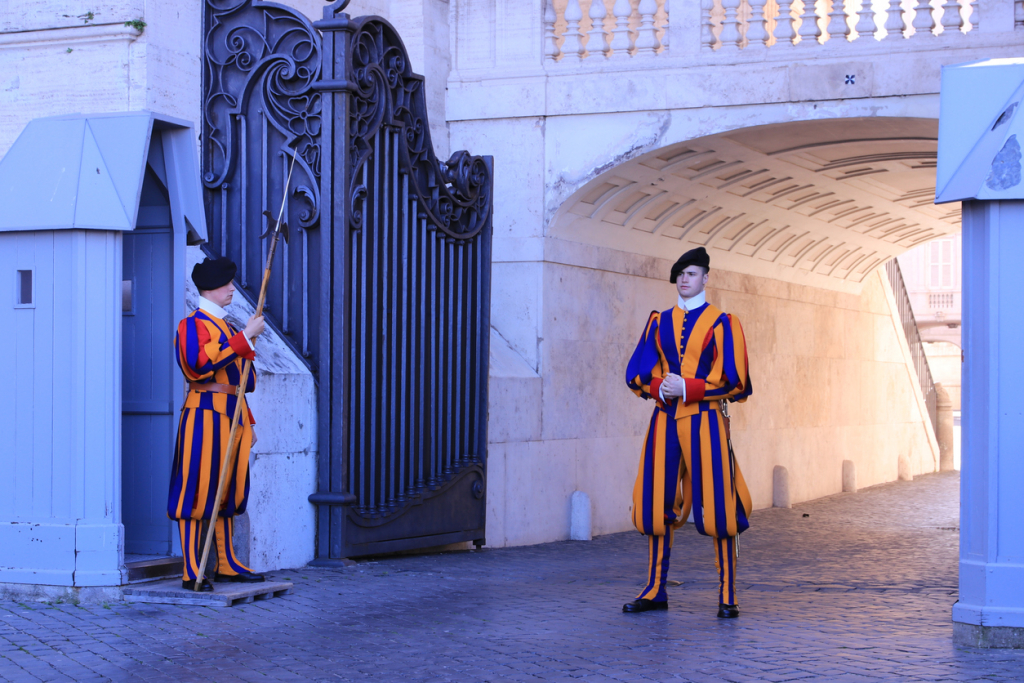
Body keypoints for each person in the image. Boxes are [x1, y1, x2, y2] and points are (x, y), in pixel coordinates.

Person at [622, 247, 753, 618]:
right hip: (664, 418)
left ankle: (728, 594)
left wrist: (689, 388)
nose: (685, 279)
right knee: (654, 502)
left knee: (720, 505)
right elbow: (637, 372)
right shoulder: (658, 321)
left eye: (692, 273)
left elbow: (736, 380)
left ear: (705, 278)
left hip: (706, 420)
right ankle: (654, 590)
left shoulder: (723, 322)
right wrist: (660, 387)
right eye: (680, 273)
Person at [168, 256, 266, 591]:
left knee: (228, 488)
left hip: (232, 415)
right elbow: (198, 367)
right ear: (210, 287)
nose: (232, 289)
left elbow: (243, 381)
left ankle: (227, 563)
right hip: (204, 414)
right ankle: (191, 569)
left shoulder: (229, 327)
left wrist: (247, 422)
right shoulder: (191, 325)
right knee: (196, 488)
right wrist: (245, 338)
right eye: (226, 283)